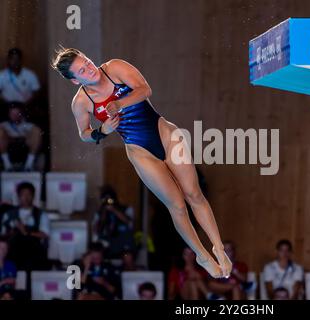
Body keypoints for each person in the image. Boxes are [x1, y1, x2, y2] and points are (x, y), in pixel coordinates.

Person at [51, 47, 231, 278]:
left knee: (193, 194)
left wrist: (119, 104)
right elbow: (84, 133)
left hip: (165, 134)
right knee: (176, 205)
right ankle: (201, 254)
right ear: (76, 80)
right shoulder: (81, 103)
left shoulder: (114, 68)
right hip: (139, 150)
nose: (90, 68)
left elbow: (145, 89)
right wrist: (101, 131)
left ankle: (218, 247)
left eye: (87, 61)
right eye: (82, 70)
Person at [0, 182, 49, 270]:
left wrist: (27, 232)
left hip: (33, 252)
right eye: (23, 194)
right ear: (18, 196)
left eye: (29, 194)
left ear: (33, 196)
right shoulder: (9, 214)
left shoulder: (41, 214)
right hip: (14, 252)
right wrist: (11, 232)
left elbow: (44, 234)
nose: (26, 198)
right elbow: (3, 234)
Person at [92, 185, 135, 258]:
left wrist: (114, 210)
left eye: (110, 199)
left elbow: (129, 222)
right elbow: (97, 230)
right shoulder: (99, 213)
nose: (108, 201)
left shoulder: (126, 209)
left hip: (123, 244)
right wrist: (104, 212)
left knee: (128, 256)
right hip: (108, 245)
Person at [0, 103, 42, 171]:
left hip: (24, 148)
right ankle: (7, 165)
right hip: (9, 148)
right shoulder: (4, 125)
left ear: (21, 114)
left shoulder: (28, 125)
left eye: (17, 114)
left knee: (36, 131)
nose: (14, 116)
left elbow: (33, 135)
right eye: (12, 114)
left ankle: (29, 165)